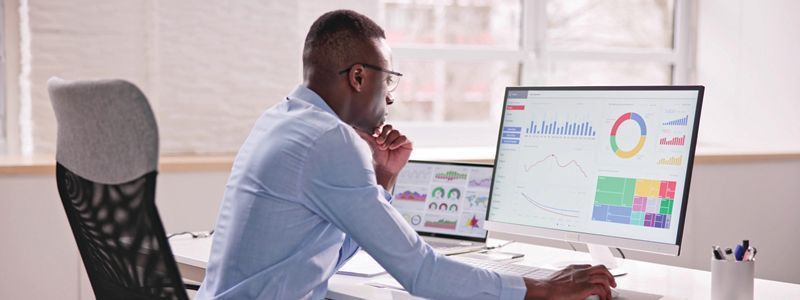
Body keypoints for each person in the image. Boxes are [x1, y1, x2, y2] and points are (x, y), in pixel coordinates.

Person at [196, 9, 616, 300]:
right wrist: (541, 288)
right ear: (359, 76)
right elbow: (421, 272)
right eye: (388, 80)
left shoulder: (281, 119)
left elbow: (318, 255)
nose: (390, 100)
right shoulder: (330, 140)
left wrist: (381, 183)